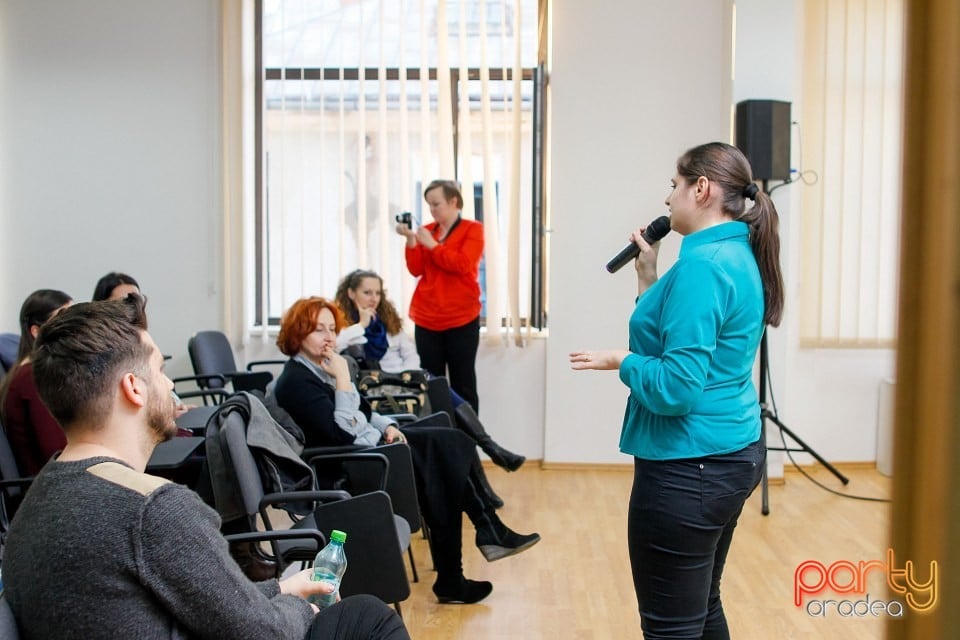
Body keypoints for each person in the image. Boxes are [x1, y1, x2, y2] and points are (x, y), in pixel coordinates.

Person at [2, 296, 409, 640]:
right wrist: (303, 609)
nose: (172, 386)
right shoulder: (154, 511)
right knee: (366, 617)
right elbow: (261, 633)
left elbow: (212, 605)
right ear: (134, 388)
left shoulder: (43, 495)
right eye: (160, 370)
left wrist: (283, 587)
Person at [569, 142, 783, 639]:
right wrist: (647, 274)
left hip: (690, 468)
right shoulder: (730, 252)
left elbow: (676, 387)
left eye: (674, 185)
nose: (668, 199)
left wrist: (621, 361)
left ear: (701, 189)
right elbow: (679, 343)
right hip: (730, 452)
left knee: (671, 628)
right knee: (701, 610)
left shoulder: (703, 267)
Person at [272, 297, 540, 605]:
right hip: (352, 466)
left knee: (453, 443)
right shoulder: (296, 381)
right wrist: (344, 378)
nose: (329, 337)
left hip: (374, 446)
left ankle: (479, 538)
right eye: (318, 330)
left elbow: (364, 409)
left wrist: (387, 426)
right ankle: (476, 545)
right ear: (297, 333)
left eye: (332, 329)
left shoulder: (321, 368)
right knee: (443, 463)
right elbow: (341, 435)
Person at [334, 269, 524, 472]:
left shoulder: (387, 319)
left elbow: (410, 353)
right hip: (376, 384)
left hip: (406, 377)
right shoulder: (342, 323)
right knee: (442, 399)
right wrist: (362, 324)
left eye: (377, 293)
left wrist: (408, 375)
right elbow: (335, 347)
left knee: (439, 386)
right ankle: (489, 453)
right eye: (367, 292)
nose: (373, 299)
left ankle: (487, 449)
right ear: (351, 293)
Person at [396, 179, 484, 412]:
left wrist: (434, 246)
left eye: (436, 204)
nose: (432, 210)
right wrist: (411, 240)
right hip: (427, 317)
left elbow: (463, 264)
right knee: (432, 382)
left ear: (453, 201)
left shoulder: (472, 229)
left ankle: (468, 443)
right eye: (429, 205)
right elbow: (416, 269)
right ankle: (439, 438)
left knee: (463, 382)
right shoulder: (428, 231)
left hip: (461, 318)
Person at [0, 289, 73, 475]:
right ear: (36, 331)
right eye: (63, 320)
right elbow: (55, 452)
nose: (74, 327)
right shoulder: (32, 378)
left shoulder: (29, 373)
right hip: (50, 489)